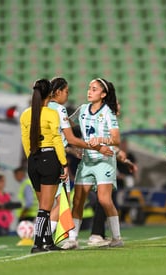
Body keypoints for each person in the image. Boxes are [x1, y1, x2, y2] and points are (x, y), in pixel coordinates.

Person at [62, 78, 123, 249]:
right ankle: (72, 239)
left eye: (94, 89)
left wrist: (102, 140)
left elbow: (116, 139)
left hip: (104, 161)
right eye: (89, 88)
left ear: (103, 94)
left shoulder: (108, 113)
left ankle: (117, 237)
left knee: (104, 200)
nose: (89, 91)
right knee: (78, 200)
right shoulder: (82, 109)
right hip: (87, 160)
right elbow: (67, 126)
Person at [48, 77, 113, 234]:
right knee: (63, 201)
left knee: (46, 204)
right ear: (58, 92)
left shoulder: (42, 108)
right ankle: (47, 237)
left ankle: (44, 238)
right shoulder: (59, 109)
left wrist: (70, 150)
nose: (67, 96)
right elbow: (70, 138)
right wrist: (98, 148)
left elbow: (54, 139)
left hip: (41, 159)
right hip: (56, 160)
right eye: (66, 92)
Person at [20, 79, 68, 253]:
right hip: (49, 158)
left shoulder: (26, 114)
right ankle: (37, 244)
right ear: (50, 94)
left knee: (43, 205)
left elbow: (25, 141)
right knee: (45, 207)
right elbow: (56, 140)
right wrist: (64, 163)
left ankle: (48, 242)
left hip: (33, 160)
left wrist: (33, 159)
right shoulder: (50, 114)